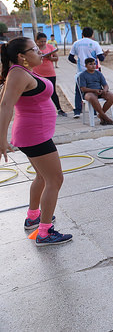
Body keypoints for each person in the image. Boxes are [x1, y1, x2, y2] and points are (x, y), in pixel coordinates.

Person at [0, 37, 72, 246]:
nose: (41, 52)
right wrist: (1, 139)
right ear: (22, 56)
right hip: (34, 136)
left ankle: (33, 217)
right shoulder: (18, 74)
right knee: (55, 180)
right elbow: (5, 105)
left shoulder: (22, 71)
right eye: (34, 49)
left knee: (42, 177)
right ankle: (45, 232)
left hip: (34, 134)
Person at [69, 27, 109, 118]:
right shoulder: (95, 44)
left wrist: (78, 62)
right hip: (93, 72)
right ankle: (94, 112)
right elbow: (101, 58)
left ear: (82, 34)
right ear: (92, 35)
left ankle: (77, 111)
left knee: (79, 91)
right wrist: (105, 55)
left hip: (81, 71)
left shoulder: (76, 43)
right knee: (95, 90)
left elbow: (70, 58)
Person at [32, 32, 66, 116]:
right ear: (36, 41)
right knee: (38, 92)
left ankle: (59, 109)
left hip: (50, 73)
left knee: (52, 91)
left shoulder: (50, 47)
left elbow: (56, 58)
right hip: (37, 73)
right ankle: (40, 110)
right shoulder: (33, 49)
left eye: (44, 41)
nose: (43, 43)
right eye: (41, 41)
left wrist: (50, 58)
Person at [78, 58, 113, 125]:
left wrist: (104, 90)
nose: (93, 66)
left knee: (111, 96)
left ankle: (101, 115)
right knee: (92, 98)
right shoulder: (83, 75)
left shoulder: (98, 73)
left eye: (94, 64)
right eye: (90, 64)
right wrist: (94, 90)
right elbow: (83, 89)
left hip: (99, 91)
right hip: (89, 92)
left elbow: (105, 85)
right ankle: (105, 118)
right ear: (86, 65)